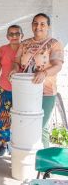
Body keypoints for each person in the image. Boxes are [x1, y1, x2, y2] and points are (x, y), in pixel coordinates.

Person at [10, 13, 64, 148]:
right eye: (35, 23)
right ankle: (27, 159)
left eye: (42, 24)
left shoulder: (54, 44)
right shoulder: (25, 43)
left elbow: (58, 65)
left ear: (48, 26)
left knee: (42, 128)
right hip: (25, 91)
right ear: (32, 25)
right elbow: (16, 62)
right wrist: (15, 69)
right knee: (24, 125)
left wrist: (44, 73)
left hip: (45, 92)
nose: (38, 27)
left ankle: (43, 164)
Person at [0, 25, 23, 157]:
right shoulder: (2, 50)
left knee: (21, 118)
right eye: (11, 34)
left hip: (22, 91)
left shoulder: (26, 49)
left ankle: (18, 145)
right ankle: (4, 146)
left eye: (17, 34)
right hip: (4, 88)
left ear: (22, 35)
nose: (14, 36)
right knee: (3, 117)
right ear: (7, 36)